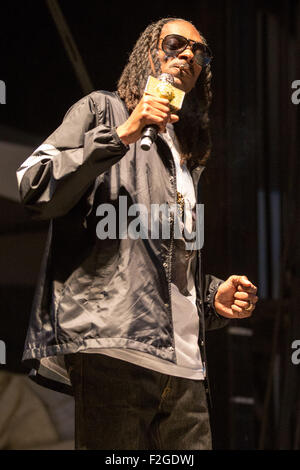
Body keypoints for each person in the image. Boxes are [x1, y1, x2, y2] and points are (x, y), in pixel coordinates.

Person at [17, 17, 258, 450]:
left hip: (187, 368)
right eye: (176, 43)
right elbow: (33, 184)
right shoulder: (101, 109)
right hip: (115, 350)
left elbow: (159, 265)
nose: (188, 54)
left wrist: (211, 296)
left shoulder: (187, 156)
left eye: (199, 53)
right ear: (150, 51)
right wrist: (123, 134)